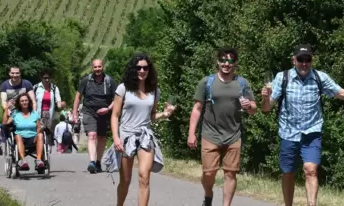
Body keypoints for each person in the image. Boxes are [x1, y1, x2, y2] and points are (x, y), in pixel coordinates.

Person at [261, 44, 344, 206]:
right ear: (294, 60)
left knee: (311, 170)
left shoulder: (320, 77)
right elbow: (266, 108)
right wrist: (264, 98)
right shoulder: (282, 78)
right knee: (288, 173)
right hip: (288, 133)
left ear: (312, 61)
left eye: (308, 59)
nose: (304, 63)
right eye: (300, 59)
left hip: (312, 133)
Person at [187, 48, 257, 206]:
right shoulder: (207, 82)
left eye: (230, 61)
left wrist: (249, 106)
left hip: (233, 135)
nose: (226, 64)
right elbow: (197, 109)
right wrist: (191, 134)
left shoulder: (242, 83)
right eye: (223, 60)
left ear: (235, 64)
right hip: (210, 134)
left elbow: (254, 108)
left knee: (231, 174)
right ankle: (208, 196)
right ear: (218, 62)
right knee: (209, 173)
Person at [109, 53, 175, 206]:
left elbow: (151, 116)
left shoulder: (154, 91)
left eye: (145, 67)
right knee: (125, 181)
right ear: (134, 69)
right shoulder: (123, 88)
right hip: (126, 136)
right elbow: (115, 115)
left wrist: (165, 114)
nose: (142, 70)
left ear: (149, 70)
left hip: (145, 136)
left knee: (144, 176)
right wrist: (116, 138)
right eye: (139, 67)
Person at [72, 59, 117, 173]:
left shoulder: (110, 81)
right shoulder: (86, 81)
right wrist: (75, 113)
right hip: (89, 112)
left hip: (105, 114)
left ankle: (98, 162)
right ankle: (92, 162)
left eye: (99, 67)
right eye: (95, 67)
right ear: (92, 68)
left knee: (101, 137)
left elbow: (117, 98)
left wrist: (108, 109)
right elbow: (78, 97)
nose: (97, 69)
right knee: (92, 135)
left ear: (103, 67)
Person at [2, 92, 45, 172]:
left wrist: (40, 131)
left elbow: (38, 127)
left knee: (40, 135)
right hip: (20, 139)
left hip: (33, 138)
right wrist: (6, 108)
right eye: (22, 101)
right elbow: (5, 123)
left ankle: (38, 160)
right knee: (17, 135)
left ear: (29, 101)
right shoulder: (15, 114)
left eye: (26, 100)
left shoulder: (34, 114)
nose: (24, 102)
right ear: (19, 103)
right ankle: (23, 161)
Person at [33, 68, 66, 154]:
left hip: (49, 114)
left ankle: (47, 149)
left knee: (48, 133)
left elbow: (58, 102)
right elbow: (32, 101)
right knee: (39, 132)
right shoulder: (36, 87)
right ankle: (38, 148)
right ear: (41, 78)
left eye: (48, 78)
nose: (47, 80)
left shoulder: (54, 88)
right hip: (38, 114)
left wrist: (62, 104)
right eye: (45, 78)